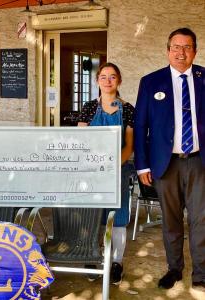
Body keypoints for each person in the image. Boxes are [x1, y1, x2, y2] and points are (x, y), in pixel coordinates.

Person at [134, 28, 205, 290]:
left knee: (201, 220)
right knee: (171, 221)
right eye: (176, 47)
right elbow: (141, 126)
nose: (181, 52)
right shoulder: (151, 81)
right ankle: (174, 269)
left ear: (194, 51)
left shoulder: (204, 78)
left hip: (199, 162)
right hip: (166, 164)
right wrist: (142, 164)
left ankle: (201, 273)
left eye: (186, 47)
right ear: (168, 50)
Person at [78, 62, 134, 284]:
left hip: (118, 169)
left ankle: (116, 263)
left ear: (119, 80)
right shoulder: (89, 107)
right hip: (91, 171)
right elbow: (82, 141)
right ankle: (93, 256)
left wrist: (114, 167)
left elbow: (129, 145)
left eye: (112, 77)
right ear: (97, 80)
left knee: (118, 218)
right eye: (103, 76)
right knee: (93, 216)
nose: (108, 80)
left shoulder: (128, 109)